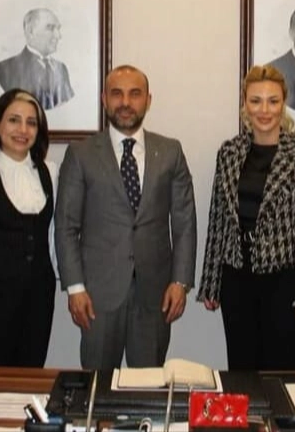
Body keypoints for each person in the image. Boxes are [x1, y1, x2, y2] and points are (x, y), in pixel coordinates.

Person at [54, 65, 197, 369]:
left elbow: (184, 223)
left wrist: (180, 281)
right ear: (104, 99)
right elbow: (66, 226)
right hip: (97, 295)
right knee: (97, 384)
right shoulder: (80, 154)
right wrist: (75, 288)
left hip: (155, 293)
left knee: (149, 386)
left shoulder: (170, 152)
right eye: (117, 94)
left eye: (135, 94)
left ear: (148, 100)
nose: (126, 103)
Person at [197, 64, 295, 370]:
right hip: (236, 279)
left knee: (279, 374)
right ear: (245, 104)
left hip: (284, 281)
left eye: (272, 101)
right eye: (256, 101)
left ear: (283, 104)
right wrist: (211, 282)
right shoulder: (229, 153)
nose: (264, 110)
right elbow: (218, 220)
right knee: (241, 370)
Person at [0, 89, 58, 367]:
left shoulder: (50, 173)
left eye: (31, 122)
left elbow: (52, 237)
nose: (23, 130)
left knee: (30, 375)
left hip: (38, 299)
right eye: (14, 120)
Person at [0, 8, 74, 110]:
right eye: (50, 28)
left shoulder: (61, 69)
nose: (58, 36)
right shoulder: (3, 69)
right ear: (30, 32)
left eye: (58, 28)